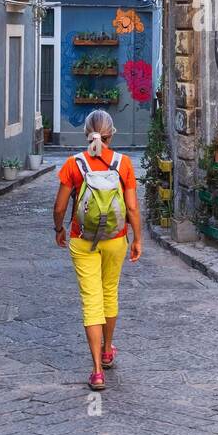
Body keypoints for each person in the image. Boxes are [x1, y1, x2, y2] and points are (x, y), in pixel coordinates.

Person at [53, 110, 143, 391]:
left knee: (91, 300)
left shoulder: (73, 164)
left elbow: (59, 207)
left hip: (82, 239)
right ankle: (107, 351)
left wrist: (59, 229)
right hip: (116, 239)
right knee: (109, 292)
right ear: (111, 134)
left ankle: (96, 372)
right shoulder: (123, 164)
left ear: (86, 134)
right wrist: (137, 238)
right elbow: (131, 208)